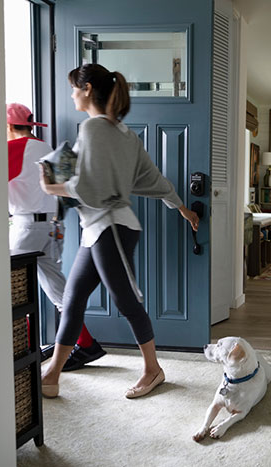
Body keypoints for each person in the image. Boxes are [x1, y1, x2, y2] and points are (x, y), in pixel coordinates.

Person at [38, 64, 199, 399]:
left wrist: (53, 187)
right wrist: (180, 206)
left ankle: (153, 370)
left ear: (86, 89)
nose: (71, 94)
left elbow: (90, 189)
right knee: (73, 299)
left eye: (73, 88)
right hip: (101, 228)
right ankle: (52, 374)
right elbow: (153, 179)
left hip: (110, 227)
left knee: (127, 301)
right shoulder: (124, 134)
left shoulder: (93, 129)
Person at [7, 103, 106, 372]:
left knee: (13, 291)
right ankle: (86, 343)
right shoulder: (46, 147)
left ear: (8, 126)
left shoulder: (13, 149)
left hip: (27, 228)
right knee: (57, 290)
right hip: (54, 226)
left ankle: (24, 349)